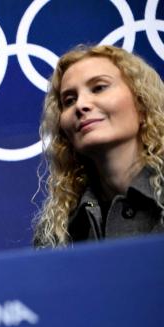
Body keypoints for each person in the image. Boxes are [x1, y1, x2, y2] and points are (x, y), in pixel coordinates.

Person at [33, 45, 164, 247]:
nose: (81, 105)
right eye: (69, 100)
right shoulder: (57, 232)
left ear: (141, 101)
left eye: (99, 88)